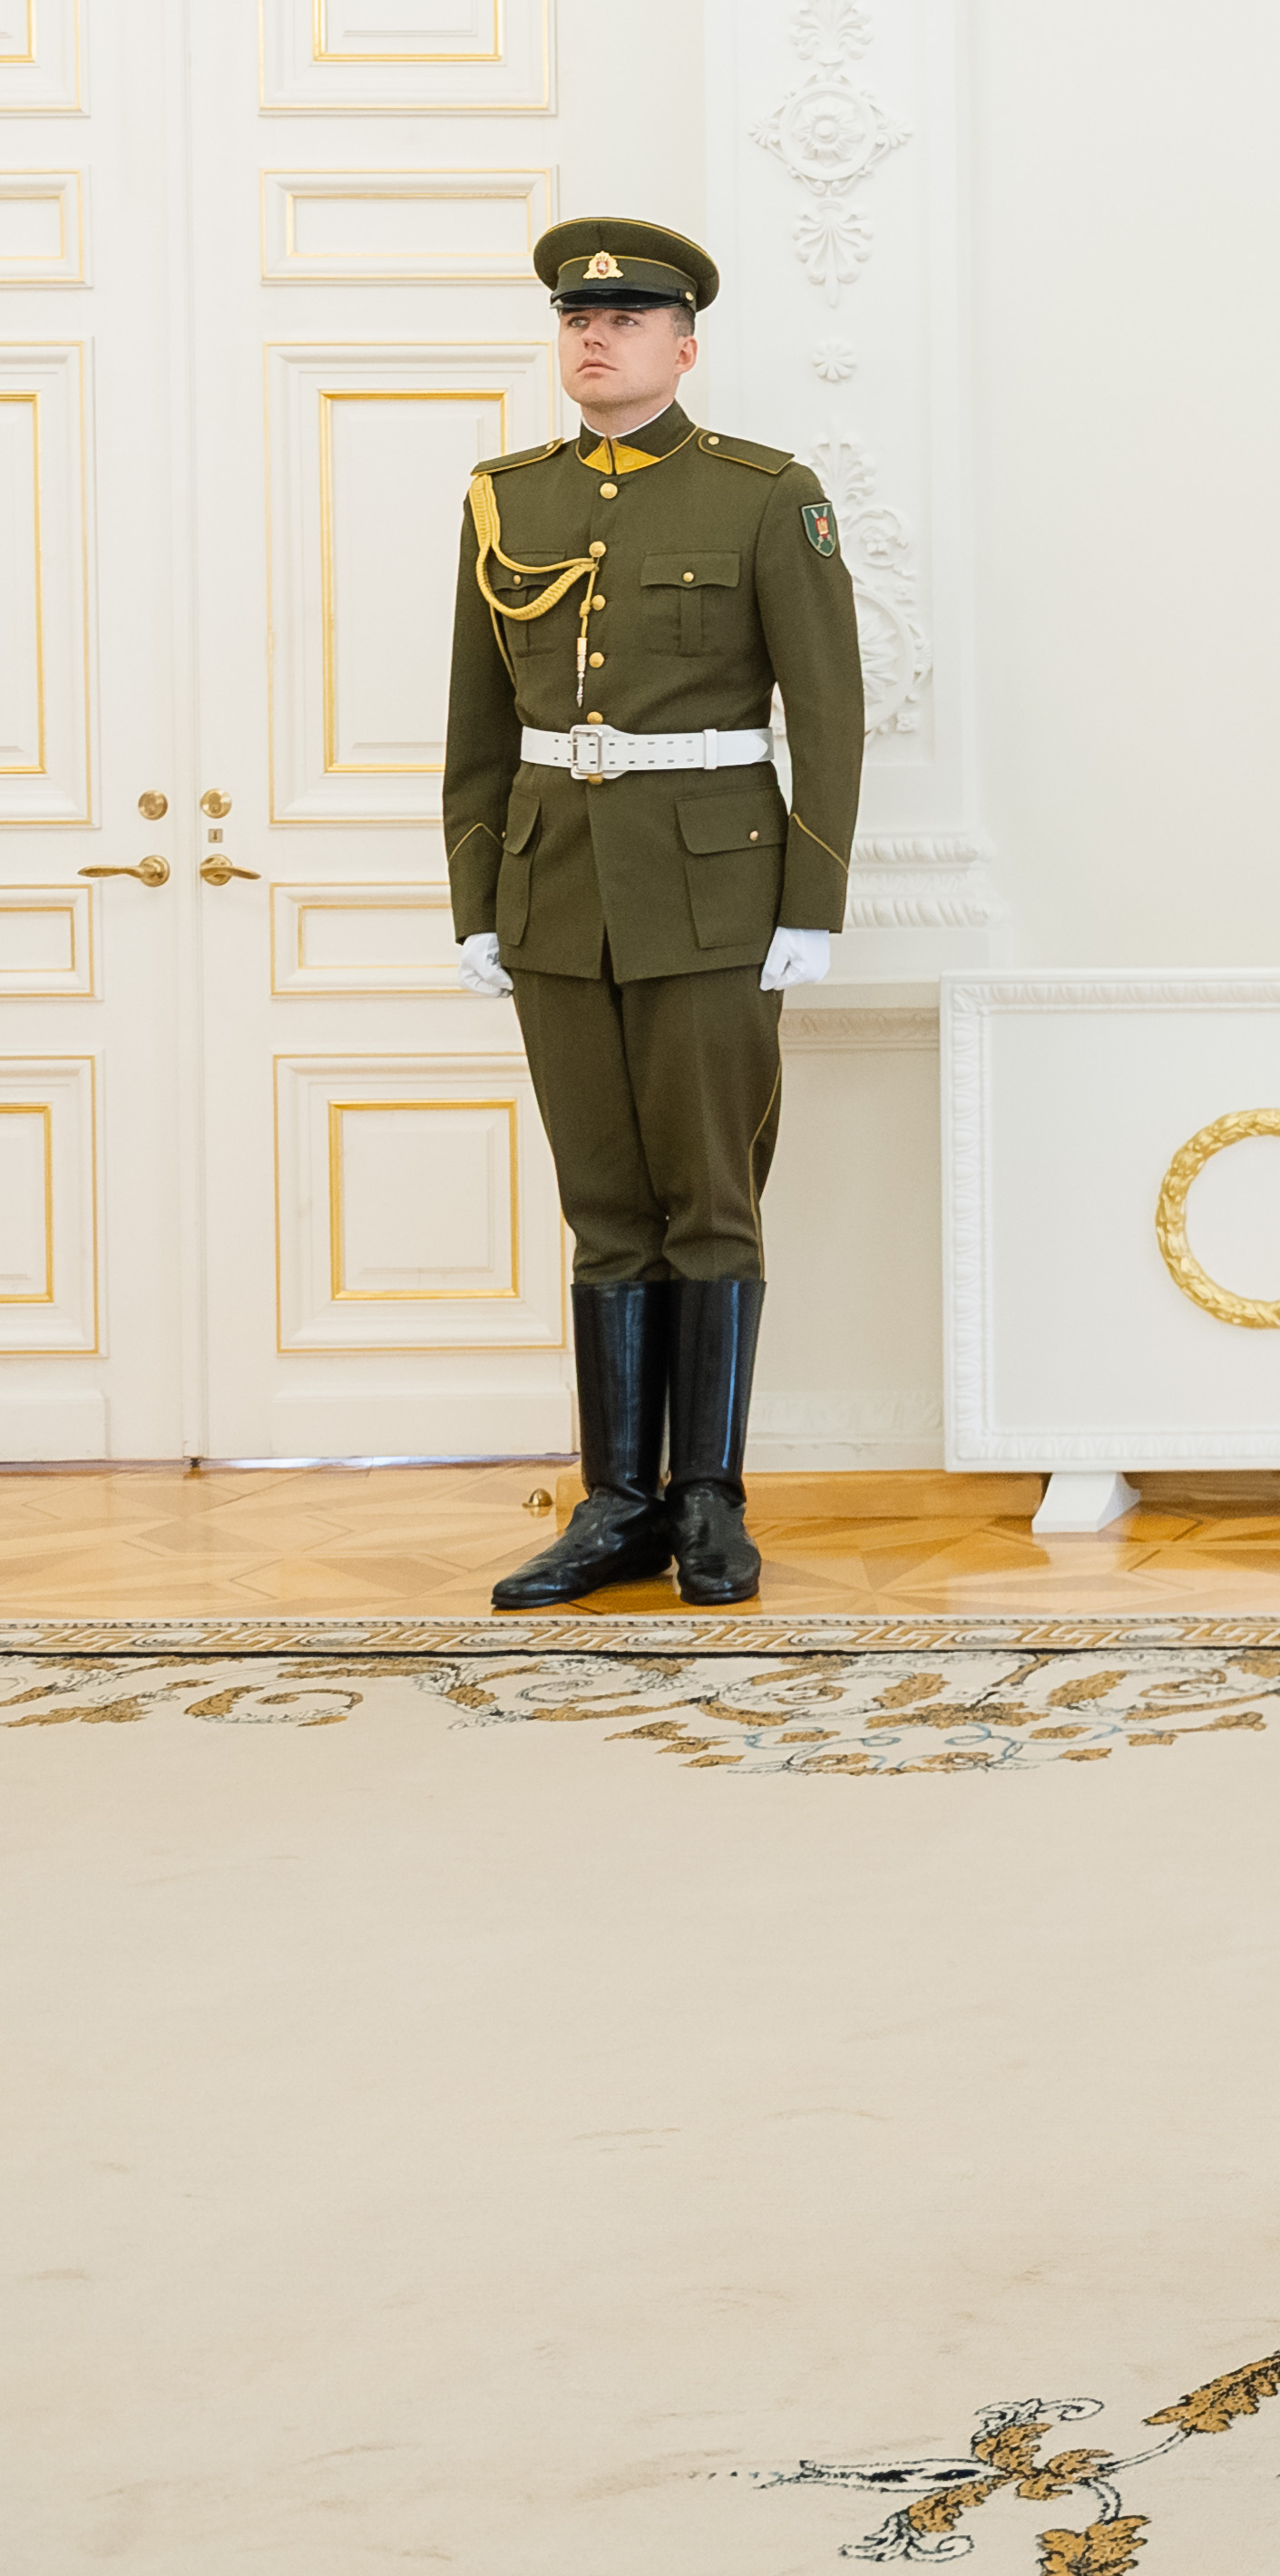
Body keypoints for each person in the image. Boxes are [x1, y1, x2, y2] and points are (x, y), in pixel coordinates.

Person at [459, 220, 865, 1615]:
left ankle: (708, 1500)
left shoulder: (764, 494)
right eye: (579, 317)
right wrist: (477, 900)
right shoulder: (504, 499)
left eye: (628, 318)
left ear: (684, 347)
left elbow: (828, 713)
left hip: (712, 897)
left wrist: (811, 900)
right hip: (556, 894)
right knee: (604, 1205)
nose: (596, 334)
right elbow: (475, 727)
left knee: (709, 1199)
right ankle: (618, 1504)